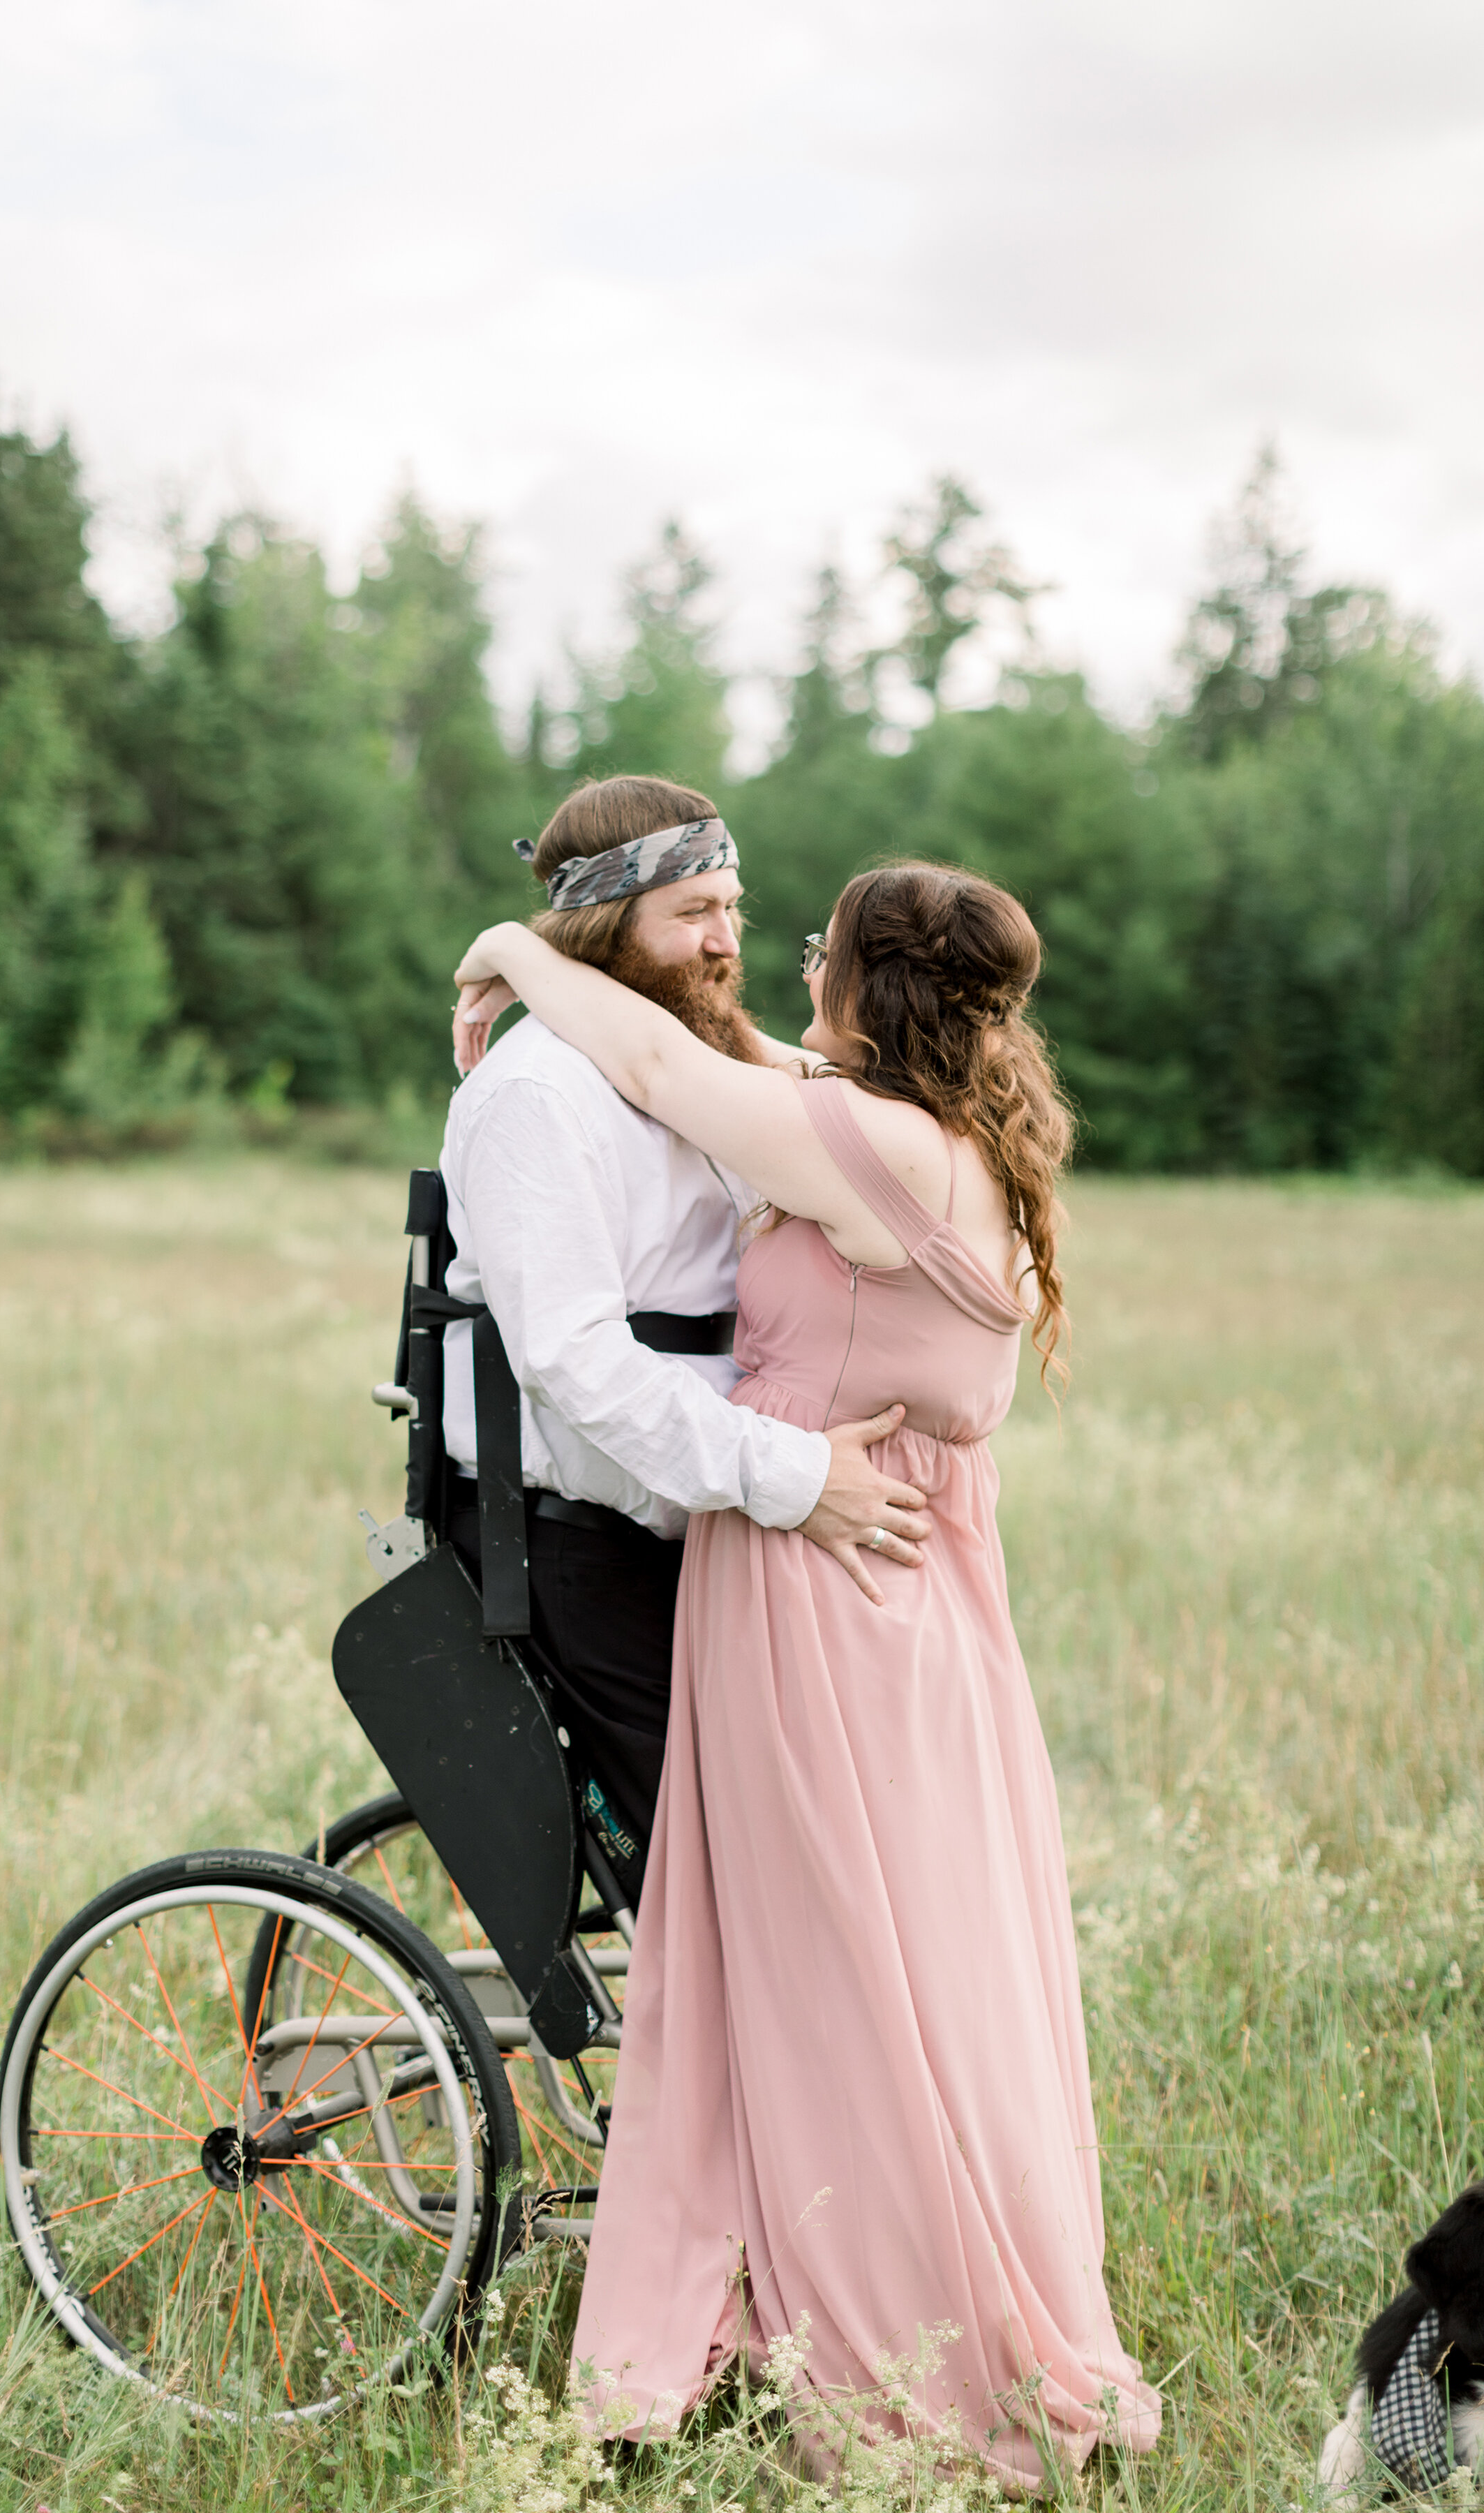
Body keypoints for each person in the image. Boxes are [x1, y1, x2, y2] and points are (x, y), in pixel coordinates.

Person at [452, 860, 1162, 2490]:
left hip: (819, 1585)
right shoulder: (944, 1129)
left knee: (833, 1977)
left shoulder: (862, 1145)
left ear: (861, 979)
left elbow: (659, 1068)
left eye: (809, 949)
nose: (785, 974)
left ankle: (887, 2335)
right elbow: (749, 1061)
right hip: (927, 1602)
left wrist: (506, 944)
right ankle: (923, 2284)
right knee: (921, 1966)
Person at [440, 776, 929, 1900]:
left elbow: (824, 1094)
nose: (725, 942)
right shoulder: (537, 1096)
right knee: (728, 1894)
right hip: (579, 1545)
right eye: (692, 912)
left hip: (710, 1520)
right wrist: (796, 1476)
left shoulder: (695, 1065)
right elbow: (572, 1359)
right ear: (608, 929)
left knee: (823, 1851)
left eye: (734, 908)